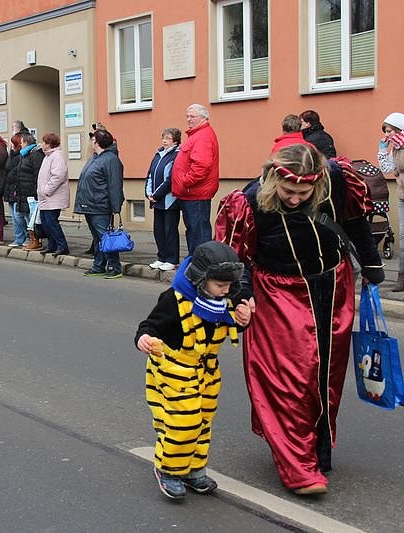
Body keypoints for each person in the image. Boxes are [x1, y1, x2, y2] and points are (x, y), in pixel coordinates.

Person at [215, 143, 384, 495]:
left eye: (303, 193)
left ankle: (315, 451)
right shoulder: (248, 201)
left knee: (326, 376)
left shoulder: (338, 179)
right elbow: (235, 257)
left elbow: (355, 224)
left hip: (334, 286)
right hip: (278, 293)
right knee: (289, 380)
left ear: (317, 183)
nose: (294, 199)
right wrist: (241, 295)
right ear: (274, 179)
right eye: (287, 191)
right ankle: (298, 468)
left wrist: (371, 265)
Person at [136, 241, 252, 500]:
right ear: (201, 279)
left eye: (229, 284)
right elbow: (150, 325)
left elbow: (227, 322)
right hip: (175, 368)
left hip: (207, 371)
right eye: (220, 285)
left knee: (203, 421)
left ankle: (193, 469)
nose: (226, 290)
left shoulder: (224, 297)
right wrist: (144, 338)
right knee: (183, 422)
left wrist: (243, 320)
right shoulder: (174, 300)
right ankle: (168, 470)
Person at [74, 129, 125, 278]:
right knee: (98, 238)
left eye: (93, 139)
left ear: (97, 142)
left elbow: (114, 185)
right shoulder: (96, 157)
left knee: (105, 237)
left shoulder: (111, 159)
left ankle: (114, 267)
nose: (91, 142)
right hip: (90, 204)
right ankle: (98, 266)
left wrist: (116, 207)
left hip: (100, 205)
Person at [172, 104, 220, 256]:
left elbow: (201, 166)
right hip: (191, 193)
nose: (188, 119)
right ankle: (196, 261)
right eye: (187, 116)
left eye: (192, 116)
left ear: (203, 118)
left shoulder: (203, 136)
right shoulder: (197, 135)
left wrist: (185, 182)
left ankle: (202, 264)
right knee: (194, 231)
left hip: (195, 193)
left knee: (198, 233)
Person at [145, 128, 181, 271]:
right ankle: (161, 257)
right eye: (163, 138)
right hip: (157, 200)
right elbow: (150, 174)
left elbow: (170, 179)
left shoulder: (177, 155)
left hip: (169, 200)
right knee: (158, 230)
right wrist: (148, 192)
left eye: (168, 138)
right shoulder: (158, 154)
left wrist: (156, 195)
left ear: (175, 141)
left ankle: (172, 259)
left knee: (169, 230)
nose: (164, 141)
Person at [377, 112, 404, 291]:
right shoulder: (395, 148)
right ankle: (402, 277)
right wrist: (382, 150)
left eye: (389, 131)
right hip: (402, 195)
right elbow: (387, 168)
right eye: (385, 132)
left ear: (399, 129)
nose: (387, 135)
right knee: (402, 237)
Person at [36, 133, 70, 256]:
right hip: (46, 198)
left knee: (52, 223)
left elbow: (58, 176)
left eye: (44, 142)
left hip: (53, 197)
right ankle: (52, 245)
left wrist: (46, 190)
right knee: (46, 224)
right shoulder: (48, 156)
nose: (42, 144)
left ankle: (62, 246)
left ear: (49, 144)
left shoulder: (57, 156)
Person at [16, 132, 45, 251]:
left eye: (21, 142)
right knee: (27, 217)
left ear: (26, 142)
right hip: (24, 191)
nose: (20, 145)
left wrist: (35, 191)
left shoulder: (35, 154)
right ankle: (32, 239)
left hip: (31, 192)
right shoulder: (25, 154)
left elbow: (38, 174)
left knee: (33, 218)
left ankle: (36, 240)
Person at [2, 134, 24, 247]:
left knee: (18, 216)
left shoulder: (21, 156)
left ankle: (26, 237)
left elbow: (17, 173)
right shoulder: (11, 155)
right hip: (9, 189)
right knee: (14, 217)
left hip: (16, 189)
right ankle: (18, 238)